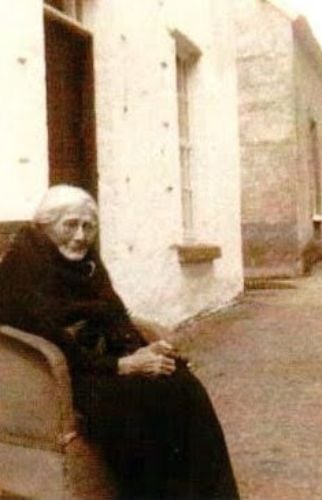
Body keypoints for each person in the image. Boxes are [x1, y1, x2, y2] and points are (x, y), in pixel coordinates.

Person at [0, 185, 239, 499]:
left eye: (88, 226)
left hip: (101, 362)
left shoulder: (86, 263)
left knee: (182, 383)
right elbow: (49, 336)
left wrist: (140, 346)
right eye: (70, 225)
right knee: (142, 402)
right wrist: (122, 365)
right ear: (45, 226)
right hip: (66, 376)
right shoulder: (24, 267)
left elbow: (113, 312)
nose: (80, 236)